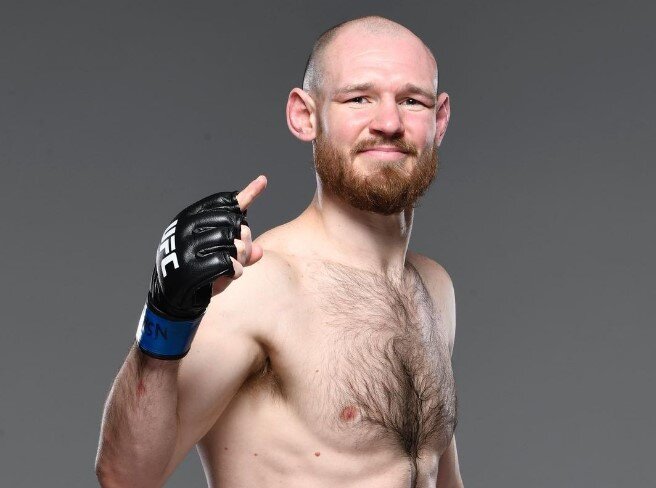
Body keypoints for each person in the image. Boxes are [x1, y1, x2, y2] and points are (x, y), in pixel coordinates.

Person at [95, 14, 463, 488]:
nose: (389, 123)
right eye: (359, 98)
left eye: (412, 101)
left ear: (439, 119)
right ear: (305, 116)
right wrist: (166, 317)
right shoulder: (259, 285)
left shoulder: (433, 287)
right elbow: (124, 476)